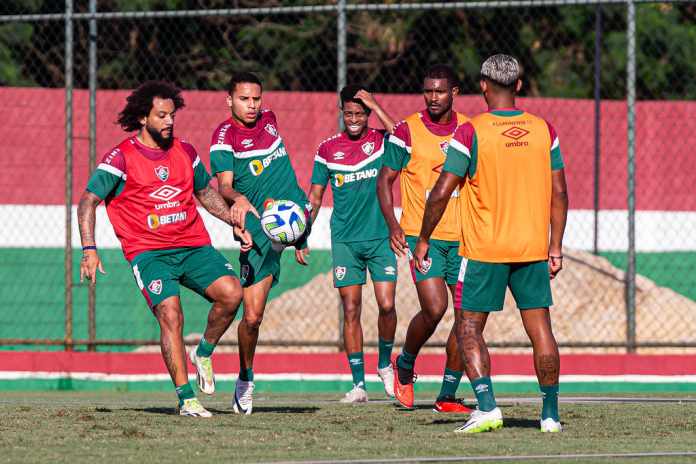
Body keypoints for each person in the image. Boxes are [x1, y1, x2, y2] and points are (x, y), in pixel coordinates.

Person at [413, 54, 568, 433]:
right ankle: (549, 415)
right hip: (532, 247)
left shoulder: (472, 131)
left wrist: (424, 238)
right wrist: (556, 246)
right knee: (541, 330)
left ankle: (486, 406)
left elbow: (440, 192)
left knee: (468, 327)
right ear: (518, 85)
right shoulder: (543, 129)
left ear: (482, 86)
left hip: (484, 250)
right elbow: (560, 192)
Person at [77, 80, 251, 418]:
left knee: (232, 295)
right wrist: (89, 248)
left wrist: (232, 219)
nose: (170, 121)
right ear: (144, 118)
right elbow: (87, 201)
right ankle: (187, 399)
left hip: (193, 245)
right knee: (171, 314)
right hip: (150, 253)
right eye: (162, 115)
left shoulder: (185, 151)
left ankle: (203, 353)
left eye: (172, 115)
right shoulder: (121, 157)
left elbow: (204, 192)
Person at [209, 72, 311, 415]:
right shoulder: (224, 138)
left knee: (253, 314)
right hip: (258, 232)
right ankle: (245, 379)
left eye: (256, 99)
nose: (252, 106)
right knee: (252, 317)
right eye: (244, 99)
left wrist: (301, 236)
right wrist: (238, 198)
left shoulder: (270, 120)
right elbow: (223, 186)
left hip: (292, 219)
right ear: (229, 100)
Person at [377, 64, 471, 413]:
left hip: (464, 239)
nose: (433, 97)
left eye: (440, 91)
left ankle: (447, 396)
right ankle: (405, 363)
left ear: (454, 93)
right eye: (428, 91)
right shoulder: (407, 131)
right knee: (435, 309)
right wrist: (393, 225)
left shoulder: (469, 130)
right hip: (423, 236)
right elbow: (384, 180)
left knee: (468, 321)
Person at [307, 85, 397, 403]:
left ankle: (385, 363)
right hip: (345, 240)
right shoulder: (328, 149)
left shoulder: (382, 141)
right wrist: (302, 233)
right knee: (351, 309)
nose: (354, 118)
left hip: (380, 237)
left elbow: (402, 135)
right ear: (342, 113)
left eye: (360, 113)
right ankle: (358, 384)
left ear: (367, 114)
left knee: (387, 304)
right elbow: (316, 197)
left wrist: (376, 102)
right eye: (349, 113)